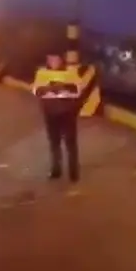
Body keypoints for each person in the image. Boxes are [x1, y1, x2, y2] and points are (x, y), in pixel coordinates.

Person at [31, 51, 83, 182]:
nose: (53, 62)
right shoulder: (42, 73)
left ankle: (73, 172)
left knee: (70, 143)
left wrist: (64, 87)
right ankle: (56, 170)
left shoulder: (70, 72)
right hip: (50, 111)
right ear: (47, 60)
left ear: (61, 59)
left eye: (56, 59)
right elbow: (35, 90)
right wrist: (48, 89)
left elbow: (78, 90)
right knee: (54, 142)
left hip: (67, 111)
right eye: (50, 59)